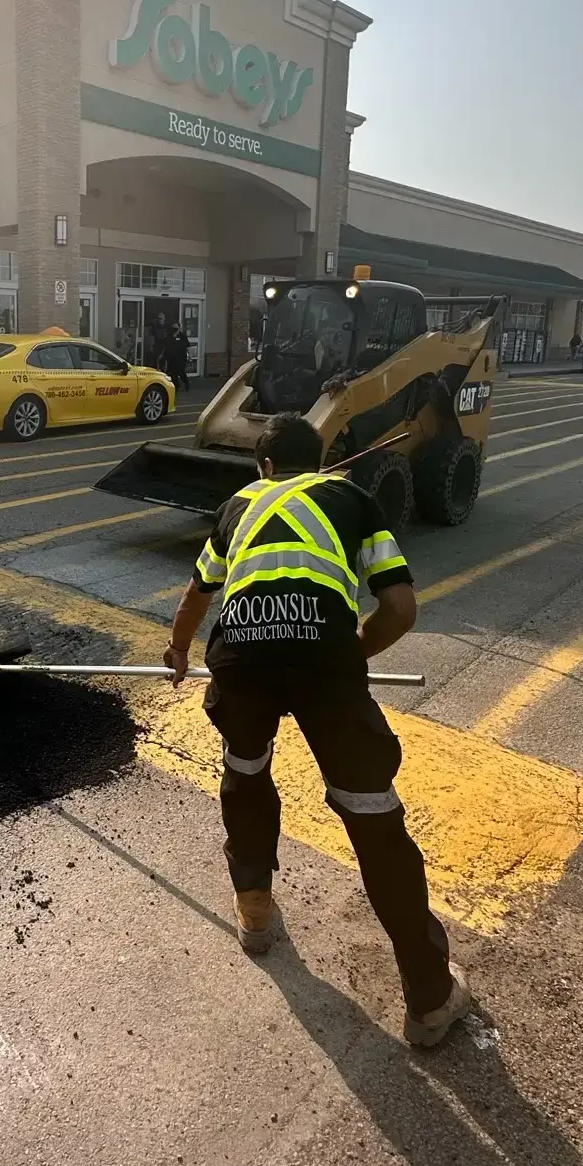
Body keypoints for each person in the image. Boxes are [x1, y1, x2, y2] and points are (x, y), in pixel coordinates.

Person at [163, 412, 473, 1047]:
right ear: (321, 459)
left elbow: (196, 595)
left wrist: (178, 652)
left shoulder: (238, 505)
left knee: (245, 774)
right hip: (325, 661)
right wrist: (349, 655)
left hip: (240, 660)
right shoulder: (350, 498)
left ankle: (254, 914)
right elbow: (400, 608)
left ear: (266, 467)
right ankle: (430, 999)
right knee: (372, 817)